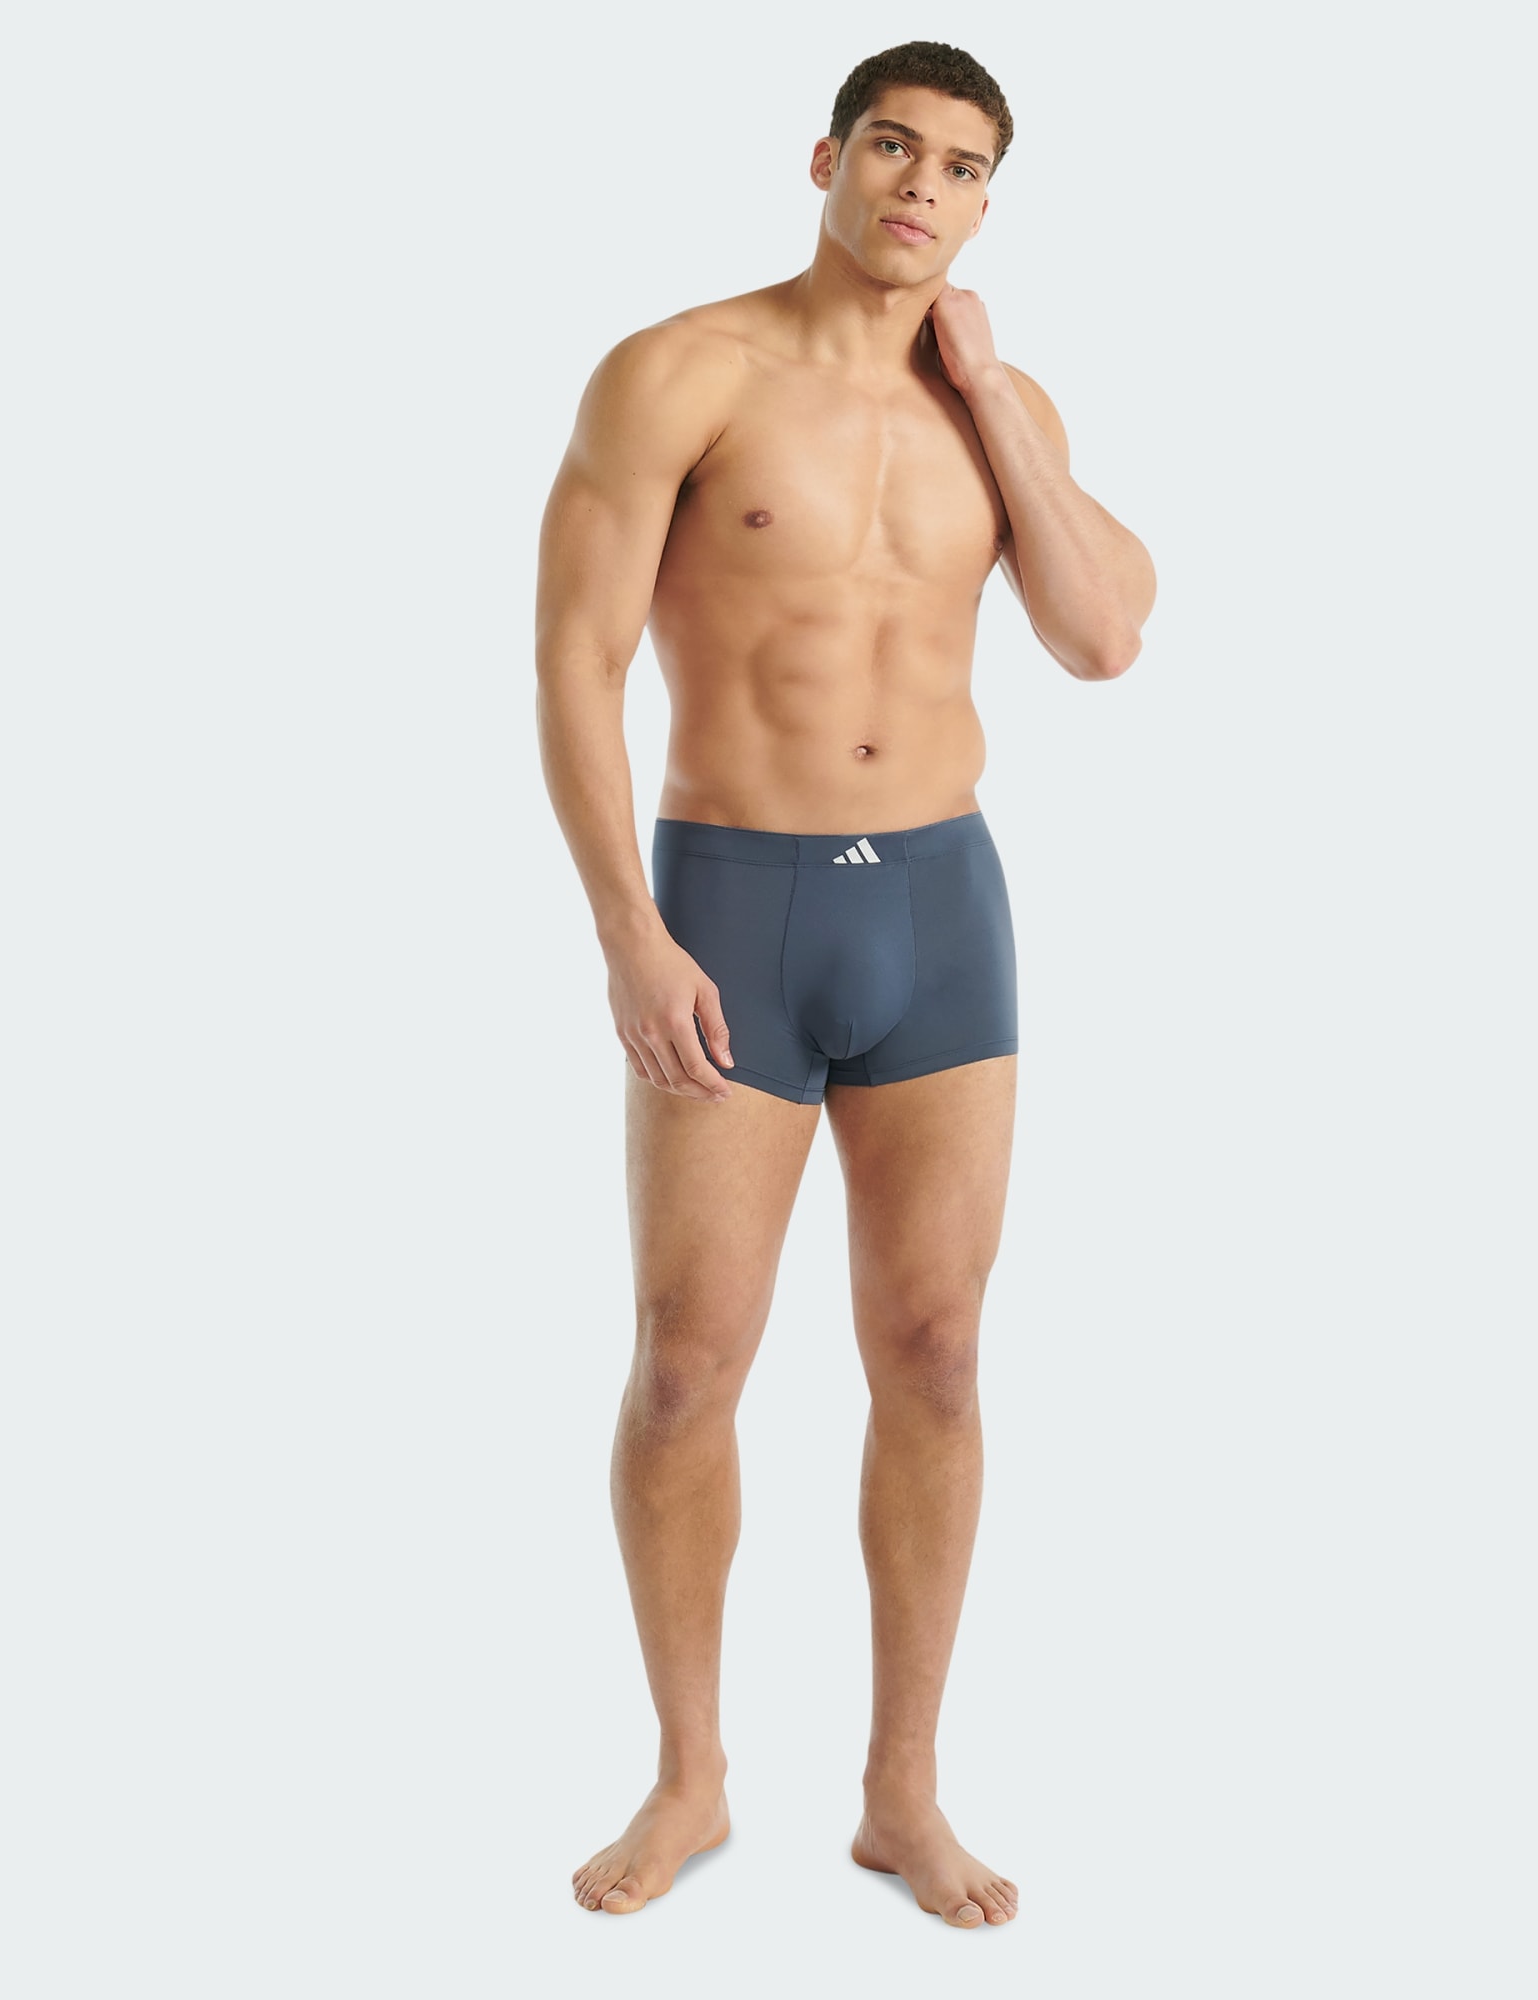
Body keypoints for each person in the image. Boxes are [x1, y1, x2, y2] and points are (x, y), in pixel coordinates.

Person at [536, 39, 1155, 1930]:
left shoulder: (995, 406)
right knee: (687, 1363)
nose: (922, 188)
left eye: (963, 169)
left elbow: (1103, 636)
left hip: (943, 905)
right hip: (735, 900)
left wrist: (997, 398)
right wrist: (630, 930)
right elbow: (573, 660)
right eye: (895, 147)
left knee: (940, 1354)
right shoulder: (681, 371)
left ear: (986, 205)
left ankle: (903, 1792)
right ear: (827, 158)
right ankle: (690, 1776)